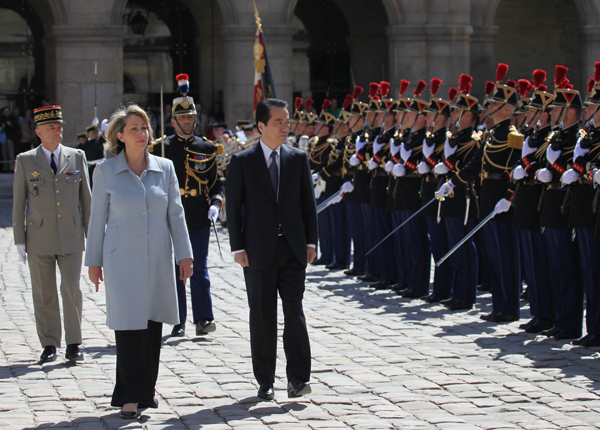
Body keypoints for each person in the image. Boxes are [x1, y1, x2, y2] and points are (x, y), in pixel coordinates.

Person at [85, 103, 193, 419]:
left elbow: (176, 213)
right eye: (133, 128)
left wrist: (185, 253)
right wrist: (94, 262)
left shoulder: (165, 168)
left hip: (158, 258)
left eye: (144, 127)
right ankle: (128, 396)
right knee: (128, 327)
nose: (141, 133)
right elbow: (96, 221)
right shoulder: (105, 171)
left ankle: (146, 391)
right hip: (122, 261)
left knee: (152, 326)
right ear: (119, 135)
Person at [226, 98, 318, 401]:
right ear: (261, 126)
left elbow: (308, 204)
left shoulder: (297, 158)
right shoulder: (242, 161)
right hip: (257, 251)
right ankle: (265, 380)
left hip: (292, 249)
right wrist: (237, 246)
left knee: (295, 313)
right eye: (278, 121)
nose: (285, 126)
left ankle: (298, 379)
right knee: (263, 316)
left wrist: (310, 241)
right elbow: (236, 207)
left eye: (287, 120)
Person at [12, 105, 92, 364]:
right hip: (39, 237)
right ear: (38, 132)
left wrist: (93, 238)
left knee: (71, 288)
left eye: (59, 127)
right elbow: (18, 203)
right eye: (51, 128)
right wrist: (20, 240)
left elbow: (87, 201)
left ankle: (74, 342)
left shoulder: (76, 156)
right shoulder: (26, 160)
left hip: (71, 235)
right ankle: (49, 343)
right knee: (44, 292)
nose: (57, 132)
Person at [153, 73, 224, 338]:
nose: (187, 122)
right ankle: (177, 319)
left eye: (190, 117)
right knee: (175, 270)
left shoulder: (207, 148)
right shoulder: (160, 149)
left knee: (200, 269)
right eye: (182, 118)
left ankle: (203, 318)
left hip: (197, 213)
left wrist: (216, 204)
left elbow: (216, 184)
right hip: (169, 214)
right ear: (173, 121)